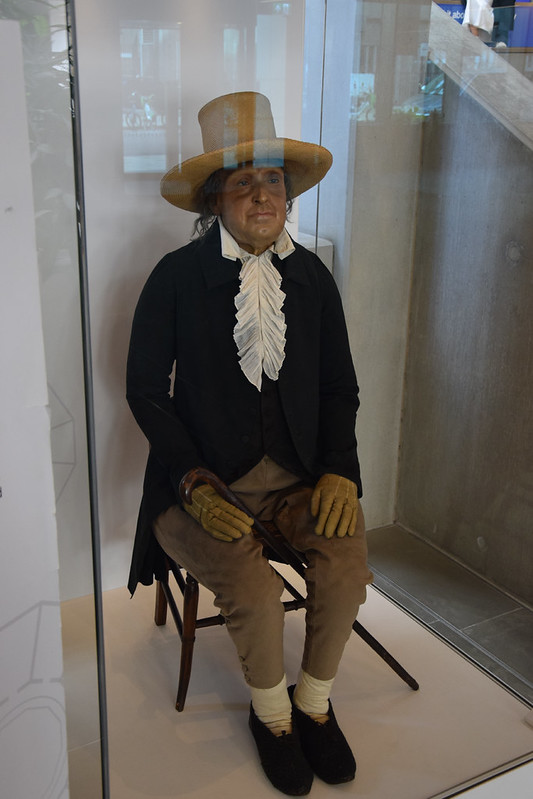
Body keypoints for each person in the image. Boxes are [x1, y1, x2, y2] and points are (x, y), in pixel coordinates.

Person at [126, 91, 373, 796]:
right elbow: (144, 390)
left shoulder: (313, 277)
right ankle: (271, 717)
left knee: (347, 564)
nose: (262, 194)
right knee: (254, 592)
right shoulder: (174, 278)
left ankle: (313, 703)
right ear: (215, 200)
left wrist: (339, 472)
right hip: (199, 487)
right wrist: (194, 484)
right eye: (243, 182)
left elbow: (338, 389)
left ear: (286, 194)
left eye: (273, 180)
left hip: (298, 479)